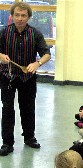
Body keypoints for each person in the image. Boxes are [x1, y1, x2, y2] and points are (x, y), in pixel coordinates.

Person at [0, 2, 50, 156]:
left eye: (23, 15)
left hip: (27, 77)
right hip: (6, 75)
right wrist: (0, 56)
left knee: (28, 108)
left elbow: (46, 54)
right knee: (7, 109)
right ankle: (7, 143)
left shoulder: (35, 34)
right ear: (12, 16)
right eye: (17, 15)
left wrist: (37, 63)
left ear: (28, 17)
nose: (20, 18)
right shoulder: (3, 32)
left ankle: (29, 137)